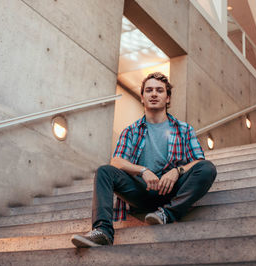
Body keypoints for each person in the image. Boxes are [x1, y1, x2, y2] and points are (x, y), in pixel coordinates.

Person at [71, 72, 217, 248]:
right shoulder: (131, 131)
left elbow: (198, 161)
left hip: (172, 190)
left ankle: (166, 214)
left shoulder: (184, 129)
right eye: (149, 90)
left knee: (207, 168)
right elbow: (116, 161)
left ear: (168, 98)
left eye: (159, 90)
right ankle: (103, 231)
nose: (154, 94)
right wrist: (143, 171)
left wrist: (176, 171)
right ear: (142, 97)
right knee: (104, 171)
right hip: (141, 190)